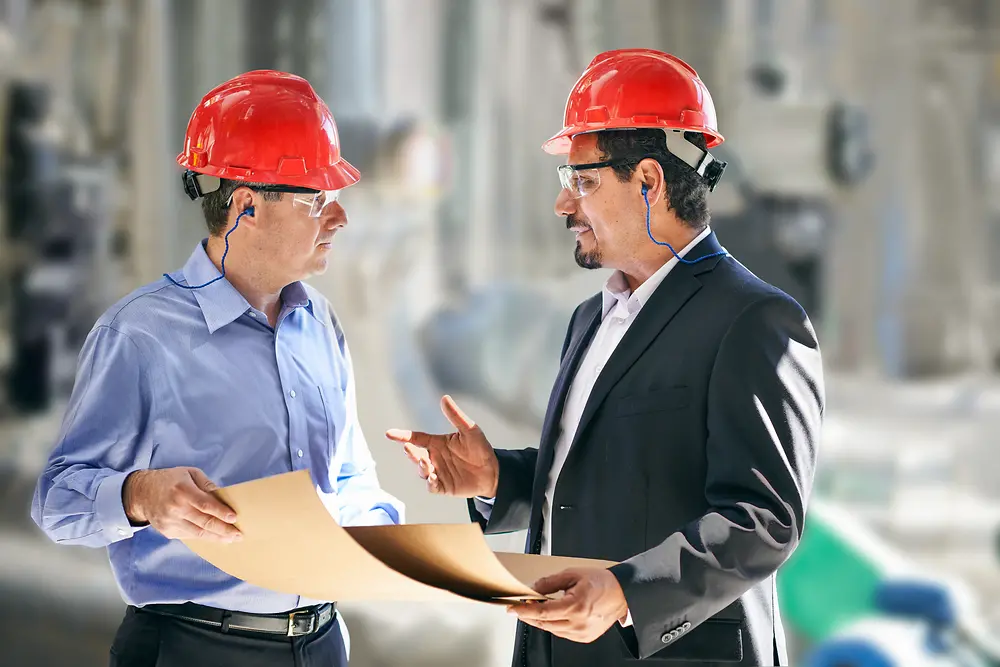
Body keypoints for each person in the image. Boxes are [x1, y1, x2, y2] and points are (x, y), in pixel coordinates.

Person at [387, 49, 823, 666]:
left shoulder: (754, 321)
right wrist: (499, 480)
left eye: (582, 181)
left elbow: (763, 519)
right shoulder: (591, 319)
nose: (565, 205)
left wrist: (626, 591)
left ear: (648, 181)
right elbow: (617, 470)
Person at [31, 70, 403, 667]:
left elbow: (351, 478)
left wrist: (378, 536)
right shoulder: (140, 336)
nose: (339, 220)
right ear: (247, 206)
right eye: (317, 200)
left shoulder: (320, 325)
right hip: (193, 648)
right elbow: (56, 503)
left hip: (322, 644)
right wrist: (139, 495)